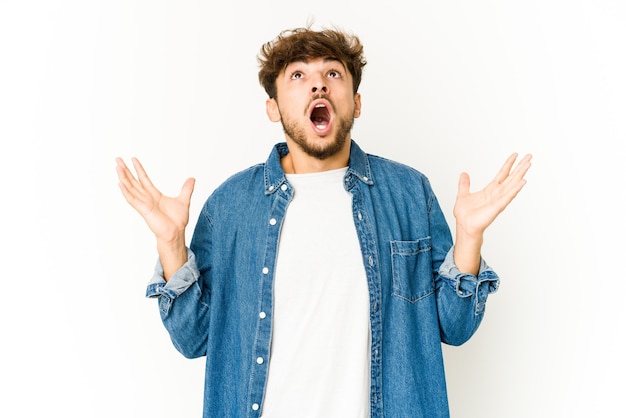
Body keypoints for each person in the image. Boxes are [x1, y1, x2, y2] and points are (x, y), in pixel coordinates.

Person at [116, 26, 531, 418]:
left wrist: (470, 237)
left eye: (333, 72)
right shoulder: (230, 207)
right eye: (298, 75)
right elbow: (194, 339)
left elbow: (454, 327)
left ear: (357, 101)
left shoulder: (409, 193)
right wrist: (171, 242)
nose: (318, 84)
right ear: (273, 108)